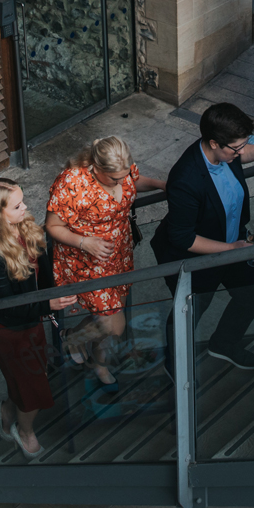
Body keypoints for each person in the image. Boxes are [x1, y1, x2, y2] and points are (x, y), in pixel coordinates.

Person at [152, 102, 254, 370]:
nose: (241, 153)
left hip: (233, 244)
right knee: (190, 312)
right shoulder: (186, 179)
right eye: (237, 148)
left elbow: (241, 154)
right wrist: (231, 250)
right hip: (198, 256)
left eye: (244, 146)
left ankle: (224, 343)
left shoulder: (224, 154)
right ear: (214, 143)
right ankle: (175, 366)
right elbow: (183, 238)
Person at [44, 136, 166, 386]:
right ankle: (74, 337)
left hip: (118, 253)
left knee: (111, 314)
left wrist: (160, 184)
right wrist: (85, 242)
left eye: (124, 175)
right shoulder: (73, 181)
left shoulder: (124, 169)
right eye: (114, 179)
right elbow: (52, 226)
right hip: (85, 259)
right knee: (113, 325)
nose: (121, 181)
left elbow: (134, 182)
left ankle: (98, 363)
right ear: (96, 167)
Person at [0, 179, 79, 457]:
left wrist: (54, 297)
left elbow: (43, 273)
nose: (26, 208)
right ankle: (24, 431)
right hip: (6, 328)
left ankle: (8, 409)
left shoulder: (25, 227)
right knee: (33, 383)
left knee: (26, 377)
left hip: (30, 320)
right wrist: (48, 304)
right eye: (18, 205)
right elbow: (7, 306)